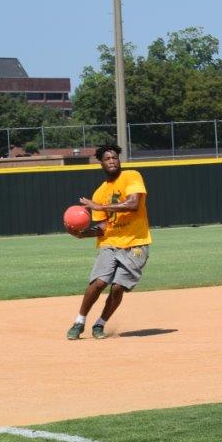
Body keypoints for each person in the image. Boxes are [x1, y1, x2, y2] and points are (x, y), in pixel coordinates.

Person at [65, 144, 151, 340]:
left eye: (114, 157)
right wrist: (82, 234)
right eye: (107, 158)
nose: (112, 160)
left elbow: (133, 204)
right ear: (101, 163)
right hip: (110, 242)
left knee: (118, 287)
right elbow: (103, 227)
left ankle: (100, 324)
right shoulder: (99, 192)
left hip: (136, 242)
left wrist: (98, 205)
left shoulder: (132, 176)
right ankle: (79, 321)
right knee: (99, 282)